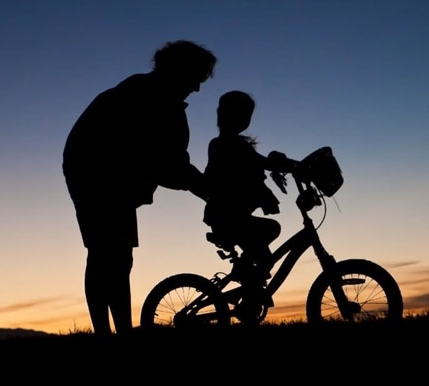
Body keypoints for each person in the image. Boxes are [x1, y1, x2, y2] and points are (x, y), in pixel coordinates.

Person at [63, 40, 216, 335]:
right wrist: (205, 189)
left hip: (109, 176)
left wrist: (201, 187)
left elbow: (171, 164)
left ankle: (120, 331)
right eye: (196, 78)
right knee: (106, 254)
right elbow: (165, 163)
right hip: (93, 174)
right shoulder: (143, 96)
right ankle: (109, 333)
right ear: (177, 70)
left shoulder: (162, 101)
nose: (197, 88)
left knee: (116, 256)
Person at [203, 91, 291, 281]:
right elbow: (260, 162)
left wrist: (282, 164)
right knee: (270, 234)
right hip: (227, 217)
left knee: (265, 255)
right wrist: (287, 164)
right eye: (244, 114)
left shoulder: (231, 145)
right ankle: (243, 274)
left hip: (231, 216)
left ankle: (249, 292)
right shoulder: (227, 145)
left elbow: (261, 162)